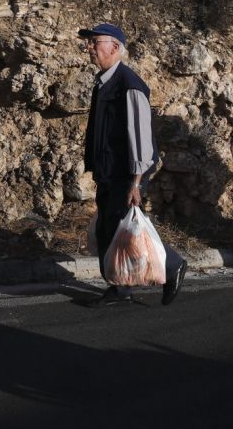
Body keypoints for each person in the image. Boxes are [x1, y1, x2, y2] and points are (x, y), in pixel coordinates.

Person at [80, 22, 187, 306]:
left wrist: (136, 181)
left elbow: (140, 136)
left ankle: (171, 265)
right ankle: (120, 288)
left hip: (127, 173)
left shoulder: (128, 85)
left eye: (94, 42)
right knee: (110, 227)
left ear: (114, 47)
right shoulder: (104, 82)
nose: (88, 47)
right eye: (89, 42)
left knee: (122, 228)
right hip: (109, 170)